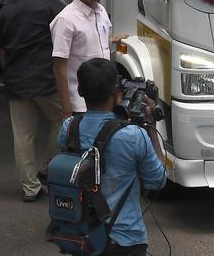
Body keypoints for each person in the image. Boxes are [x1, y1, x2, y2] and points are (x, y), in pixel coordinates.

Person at [58, 58, 166, 255]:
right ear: (115, 91)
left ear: (80, 91)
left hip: (82, 238)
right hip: (124, 239)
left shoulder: (69, 128)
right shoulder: (133, 135)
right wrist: (151, 129)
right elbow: (157, 181)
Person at [0, 0, 63, 199]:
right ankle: (49, 167)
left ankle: (30, 187)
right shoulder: (46, 3)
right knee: (62, 120)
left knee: (23, 135)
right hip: (45, 76)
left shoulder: (5, 10)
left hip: (16, 77)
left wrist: (8, 70)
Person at [51, 0, 117, 117]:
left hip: (105, 103)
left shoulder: (102, 12)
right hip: (80, 106)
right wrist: (67, 109)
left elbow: (103, 48)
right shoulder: (66, 20)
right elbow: (59, 69)